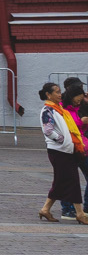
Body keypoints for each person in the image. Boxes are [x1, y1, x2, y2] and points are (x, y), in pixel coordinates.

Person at [38, 82, 87, 223]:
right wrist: (63, 140)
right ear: (48, 94)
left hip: (66, 150)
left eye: (60, 92)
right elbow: (48, 130)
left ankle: (45, 209)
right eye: (57, 92)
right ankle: (80, 214)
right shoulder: (48, 110)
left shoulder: (58, 109)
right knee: (72, 180)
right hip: (59, 150)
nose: (60, 94)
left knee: (61, 181)